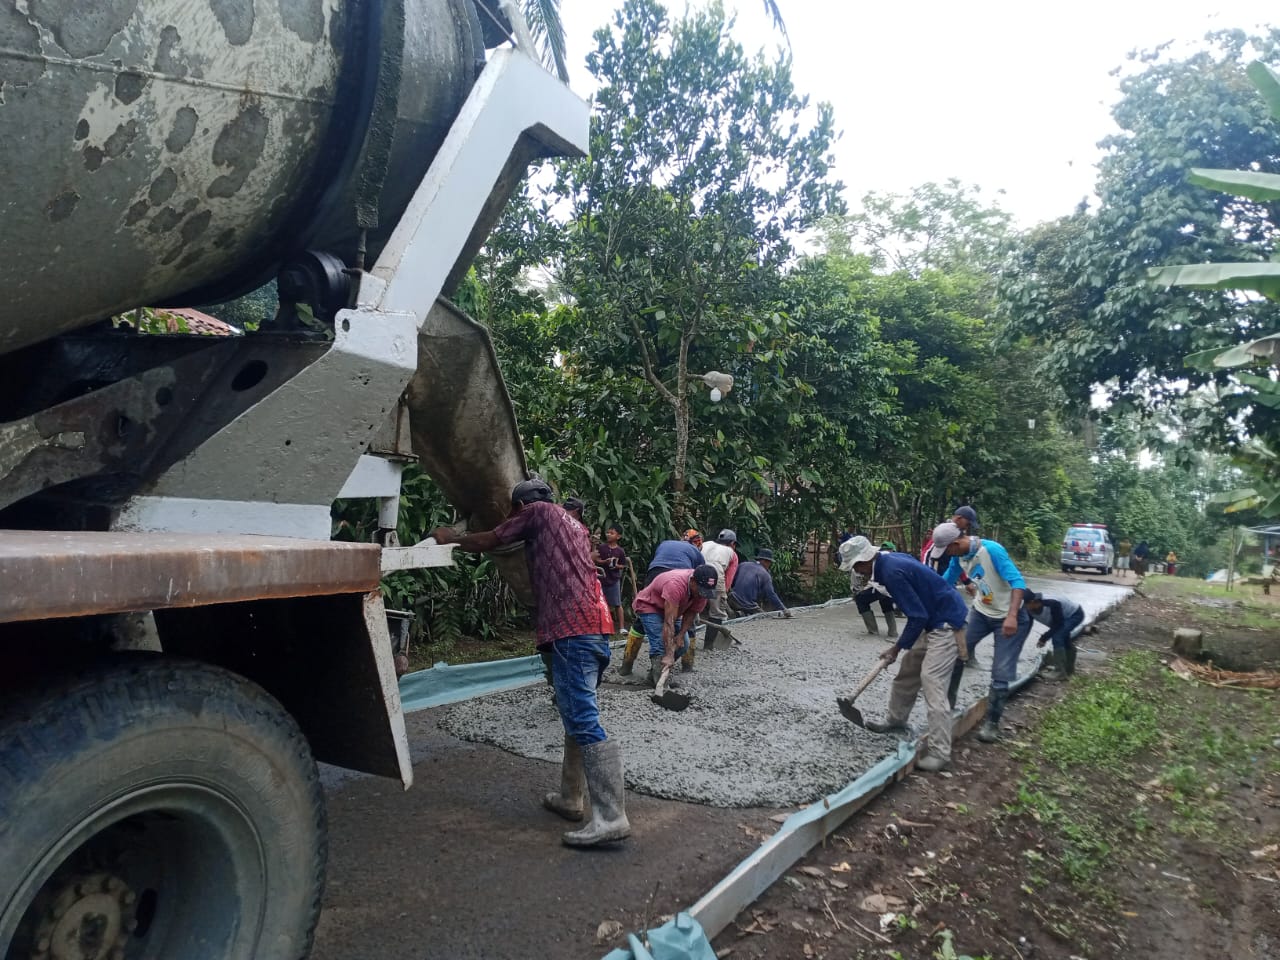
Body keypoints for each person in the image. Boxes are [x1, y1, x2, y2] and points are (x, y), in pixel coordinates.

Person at [432, 479, 628, 847]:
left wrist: (451, 538)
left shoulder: (536, 513)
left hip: (572, 628)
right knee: (576, 710)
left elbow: (493, 539)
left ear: (520, 506)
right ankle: (572, 797)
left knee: (583, 717)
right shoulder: (576, 526)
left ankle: (612, 817)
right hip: (596, 626)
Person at [840, 536, 969, 772]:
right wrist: (902, 650)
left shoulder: (891, 573)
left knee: (932, 681)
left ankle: (940, 751)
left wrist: (895, 648)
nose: (857, 572)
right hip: (931, 619)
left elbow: (916, 615)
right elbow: (919, 612)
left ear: (865, 560)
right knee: (908, 671)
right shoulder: (888, 561)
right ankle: (896, 719)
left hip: (946, 624)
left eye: (856, 567)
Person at [931, 521, 1033, 744]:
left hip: (1009, 617)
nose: (947, 555)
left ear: (956, 543)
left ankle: (992, 724)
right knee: (957, 652)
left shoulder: (991, 550)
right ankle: (947, 708)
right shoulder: (960, 556)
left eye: (948, 550)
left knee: (1001, 670)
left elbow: (1018, 583)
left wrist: (1012, 616)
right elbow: (944, 583)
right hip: (981, 611)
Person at [619, 531, 706, 676]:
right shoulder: (695, 553)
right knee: (660, 634)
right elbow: (699, 572)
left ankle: (627, 667)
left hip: (655, 574)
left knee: (641, 625)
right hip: (675, 582)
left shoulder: (666, 543)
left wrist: (680, 635)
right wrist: (669, 652)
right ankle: (669, 669)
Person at [632, 564, 718, 687]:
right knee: (659, 645)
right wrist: (669, 654)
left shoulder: (702, 590)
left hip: (675, 609)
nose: (702, 595)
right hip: (650, 606)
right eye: (700, 591)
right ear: (693, 581)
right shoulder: (675, 585)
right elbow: (669, 622)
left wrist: (681, 635)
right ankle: (661, 687)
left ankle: (654, 676)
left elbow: (691, 614)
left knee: (684, 645)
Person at [695, 528, 740, 669]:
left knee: (693, 608)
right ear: (732, 543)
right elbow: (728, 579)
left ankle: (688, 640)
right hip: (717, 575)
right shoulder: (732, 553)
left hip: (697, 573)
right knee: (716, 613)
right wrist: (722, 598)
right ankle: (708, 646)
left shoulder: (706, 544)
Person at [839, 538, 897, 638]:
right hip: (883, 587)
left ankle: (873, 631)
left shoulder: (880, 561)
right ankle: (893, 631)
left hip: (881, 586)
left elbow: (874, 583)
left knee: (861, 600)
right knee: (885, 599)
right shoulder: (885, 557)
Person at [1024, 590, 1084, 680]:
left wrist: (1043, 638)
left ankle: (1059, 672)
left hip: (1074, 614)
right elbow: (1027, 624)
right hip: (1061, 619)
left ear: (1032, 602)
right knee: (1063, 639)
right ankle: (1068, 670)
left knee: (1057, 637)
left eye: (1024, 604)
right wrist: (1020, 641)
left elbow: (1058, 624)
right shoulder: (1030, 609)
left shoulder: (1052, 604)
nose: (1022, 607)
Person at [729, 547, 792, 617]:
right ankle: (741, 614)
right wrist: (783, 609)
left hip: (732, 598)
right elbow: (771, 594)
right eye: (770, 562)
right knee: (763, 617)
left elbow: (732, 581)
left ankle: (738, 613)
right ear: (766, 561)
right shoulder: (765, 574)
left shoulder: (743, 565)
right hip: (748, 605)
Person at [593, 523, 629, 636]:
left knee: (617, 604)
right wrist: (604, 562)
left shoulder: (620, 551)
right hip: (601, 579)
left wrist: (617, 565)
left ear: (618, 537)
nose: (608, 534)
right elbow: (596, 559)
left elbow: (623, 565)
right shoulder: (602, 547)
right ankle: (602, 626)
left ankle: (622, 627)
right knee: (601, 603)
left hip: (614, 580)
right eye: (608, 532)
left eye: (612, 533)